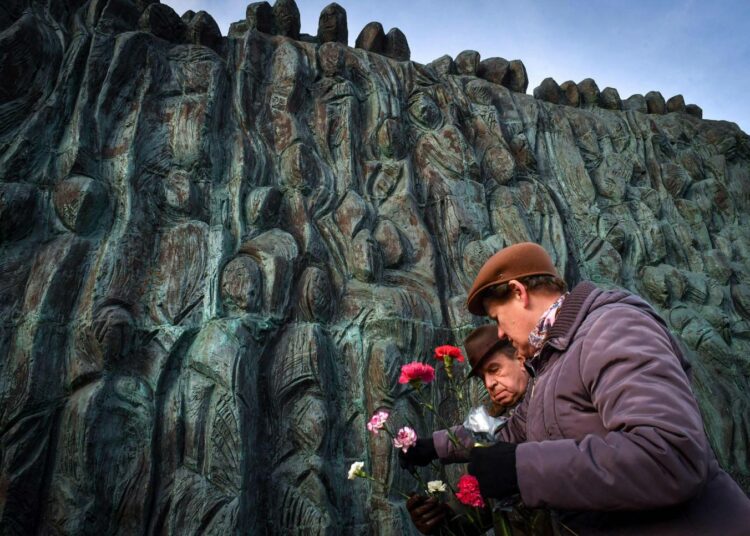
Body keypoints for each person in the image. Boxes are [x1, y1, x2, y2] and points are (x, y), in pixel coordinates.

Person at [459, 241, 750, 535]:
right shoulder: (551, 362)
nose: (499, 332)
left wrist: (522, 469)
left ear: (519, 293)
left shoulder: (611, 327)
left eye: (497, 318)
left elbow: (671, 456)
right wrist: (426, 445)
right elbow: (509, 431)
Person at [402, 325, 530, 534]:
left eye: (494, 369)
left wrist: (435, 446)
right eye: (482, 377)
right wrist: (445, 518)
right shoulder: (496, 423)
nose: (489, 384)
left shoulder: (549, 400)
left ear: (521, 359)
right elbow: (484, 503)